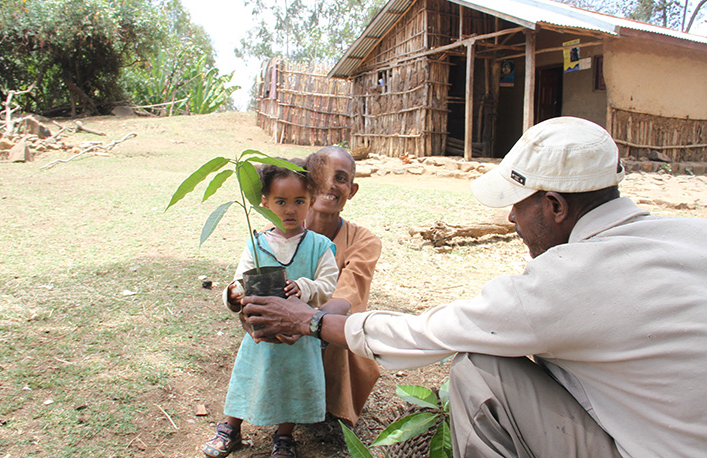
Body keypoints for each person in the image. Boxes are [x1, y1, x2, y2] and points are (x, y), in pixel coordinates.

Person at [240, 117, 707, 458]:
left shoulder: (568, 278)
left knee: (479, 369)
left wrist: (312, 319)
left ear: (555, 206)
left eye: (517, 205)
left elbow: (432, 332)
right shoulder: (693, 235)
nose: (510, 218)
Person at [203, 158, 339, 458]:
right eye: (280, 201)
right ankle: (230, 428)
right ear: (264, 202)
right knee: (248, 377)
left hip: (298, 336)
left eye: (299, 201)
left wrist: (306, 287)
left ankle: (284, 436)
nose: (290, 209)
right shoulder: (256, 244)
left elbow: (328, 285)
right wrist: (233, 294)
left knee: (293, 382)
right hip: (260, 334)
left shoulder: (319, 246)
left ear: (312, 201)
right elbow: (240, 280)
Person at [304, 146, 382, 426]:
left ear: (352, 189)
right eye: (320, 176)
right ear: (307, 181)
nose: (329, 185)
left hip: (327, 327)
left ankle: (332, 411)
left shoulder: (364, 241)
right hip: (289, 321)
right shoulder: (284, 231)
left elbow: (348, 293)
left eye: (340, 178)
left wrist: (304, 322)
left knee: (335, 324)